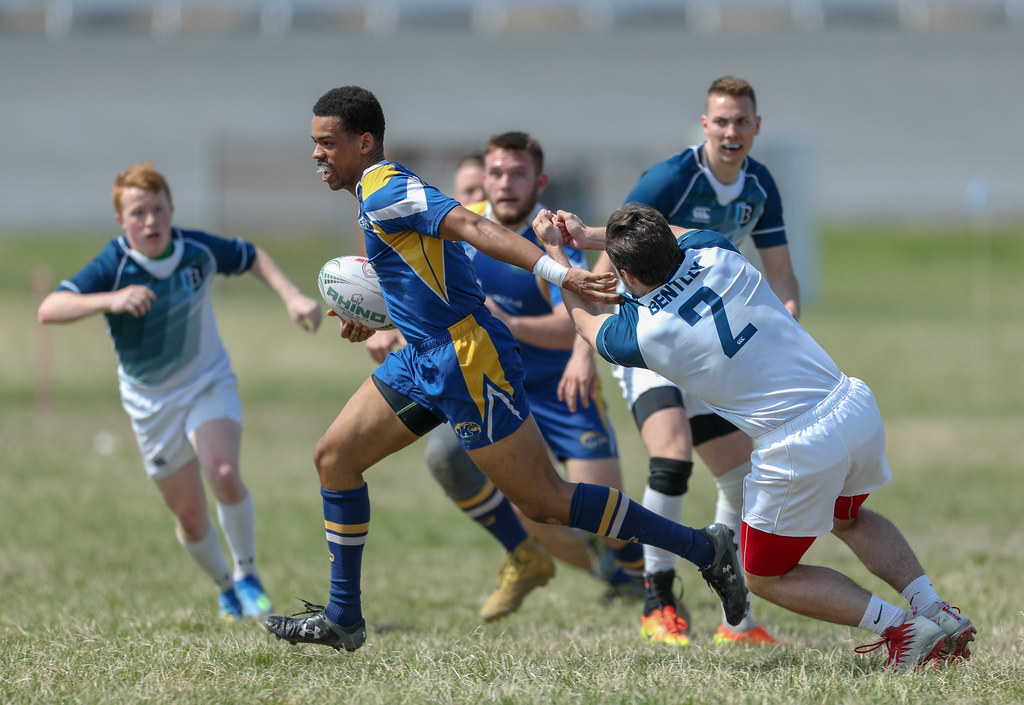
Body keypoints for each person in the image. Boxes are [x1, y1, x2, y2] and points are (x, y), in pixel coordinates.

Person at [262, 85, 748, 653]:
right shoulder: (373, 193)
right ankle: (344, 619)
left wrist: (558, 272)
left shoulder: (386, 185)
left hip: (466, 358)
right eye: (314, 143)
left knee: (544, 499)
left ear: (363, 142)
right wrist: (377, 316)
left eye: (327, 143)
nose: (317, 153)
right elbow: (426, 272)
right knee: (334, 458)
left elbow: (471, 226)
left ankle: (705, 548)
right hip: (421, 355)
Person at [533, 202, 977, 672]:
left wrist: (558, 253)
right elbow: (678, 230)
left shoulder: (645, 333)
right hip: (851, 403)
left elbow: (583, 323)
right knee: (850, 518)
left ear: (624, 272)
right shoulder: (714, 250)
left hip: (798, 443)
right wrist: (589, 235)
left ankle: (904, 629)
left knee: (764, 576)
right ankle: (934, 608)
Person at [367, 132, 645, 621]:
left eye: (517, 174)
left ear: (538, 181)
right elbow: (408, 278)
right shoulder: (459, 221)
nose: (505, 184)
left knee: (608, 520)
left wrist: (508, 323)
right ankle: (557, 564)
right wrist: (378, 320)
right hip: (493, 385)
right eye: (496, 173)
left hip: (562, 392)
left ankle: (649, 587)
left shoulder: (550, 238)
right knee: (505, 492)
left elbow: (570, 328)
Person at [36, 162, 324, 621]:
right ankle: (225, 587)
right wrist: (110, 299)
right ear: (121, 221)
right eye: (138, 213)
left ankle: (248, 574)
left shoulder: (195, 250)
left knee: (224, 471)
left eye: (157, 209)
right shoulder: (115, 265)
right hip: (150, 403)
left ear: (171, 209)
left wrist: (292, 296)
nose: (150, 222)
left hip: (207, 380)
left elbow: (250, 255)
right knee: (189, 515)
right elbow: (49, 308)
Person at [593, 76, 797, 646]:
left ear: (756, 127)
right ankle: (657, 601)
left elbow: (780, 272)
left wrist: (787, 327)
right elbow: (616, 249)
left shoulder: (760, 185)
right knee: (673, 457)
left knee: (738, 475)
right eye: (721, 121)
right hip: (652, 337)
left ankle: (735, 619)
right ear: (705, 126)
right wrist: (587, 348)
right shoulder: (670, 180)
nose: (731, 132)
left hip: (708, 342)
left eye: (742, 122)